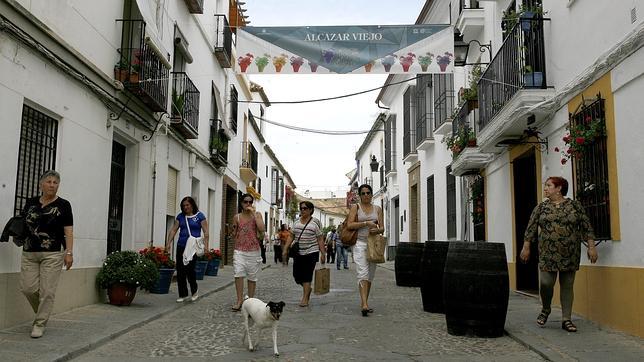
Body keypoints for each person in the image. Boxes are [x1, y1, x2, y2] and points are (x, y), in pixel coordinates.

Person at [520, 176, 598, 333]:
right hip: (548, 253)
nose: (545, 188)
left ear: (559, 188)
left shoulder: (574, 206)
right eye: (546, 186)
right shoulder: (541, 208)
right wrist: (526, 247)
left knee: (567, 285)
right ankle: (546, 308)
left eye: (548, 185)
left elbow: (586, 226)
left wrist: (591, 247)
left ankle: (566, 319)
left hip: (570, 252)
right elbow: (531, 228)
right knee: (546, 283)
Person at [18, 170, 74, 338]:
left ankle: (39, 323)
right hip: (29, 251)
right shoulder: (31, 202)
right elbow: (23, 223)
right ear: (41, 184)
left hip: (53, 252)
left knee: (47, 291)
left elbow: (68, 231)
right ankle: (43, 311)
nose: (52, 185)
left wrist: (69, 252)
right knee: (27, 288)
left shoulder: (64, 205)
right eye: (48, 182)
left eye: (55, 182)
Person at [346, 184, 384, 317]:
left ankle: (365, 301)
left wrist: (377, 229)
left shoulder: (378, 209)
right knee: (362, 272)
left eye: (368, 193)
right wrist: (366, 223)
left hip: (373, 244)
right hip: (360, 243)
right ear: (360, 195)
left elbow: (382, 228)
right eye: (363, 193)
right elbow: (350, 225)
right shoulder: (355, 208)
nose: (366, 195)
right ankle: (364, 304)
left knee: (370, 275)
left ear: (372, 194)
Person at [282, 201, 325, 307]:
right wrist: (285, 249)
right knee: (297, 276)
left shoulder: (315, 223)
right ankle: (307, 288)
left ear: (310, 210)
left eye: (305, 208)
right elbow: (291, 236)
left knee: (307, 275)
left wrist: (323, 253)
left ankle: (305, 298)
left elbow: (320, 239)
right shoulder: (296, 222)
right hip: (298, 253)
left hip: (311, 252)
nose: (302, 210)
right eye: (301, 208)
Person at [166, 196, 209, 303]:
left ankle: (194, 291)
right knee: (180, 271)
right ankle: (183, 294)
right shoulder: (180, 217)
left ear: (192, 205)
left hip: (193, 247)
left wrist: (206, 246)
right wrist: (168, 244)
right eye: (183, 206)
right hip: (181, 246)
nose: (185, 207)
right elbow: (173, 230)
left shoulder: (200, 216)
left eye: (187, 205)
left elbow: (206, 232)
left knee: (190, 270)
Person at [231, 193, 265, 311]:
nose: (248, 204)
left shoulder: (257, 215)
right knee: (238, 274)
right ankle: (239, 300)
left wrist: (254, 214)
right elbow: (234, 233)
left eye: (250, 202)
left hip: (253, 251)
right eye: (245, 202)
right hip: (239, 250)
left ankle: (250, 302)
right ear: (241, 203)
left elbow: (261, 229)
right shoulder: (237, 217)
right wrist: (233, 231)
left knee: (252, 277)